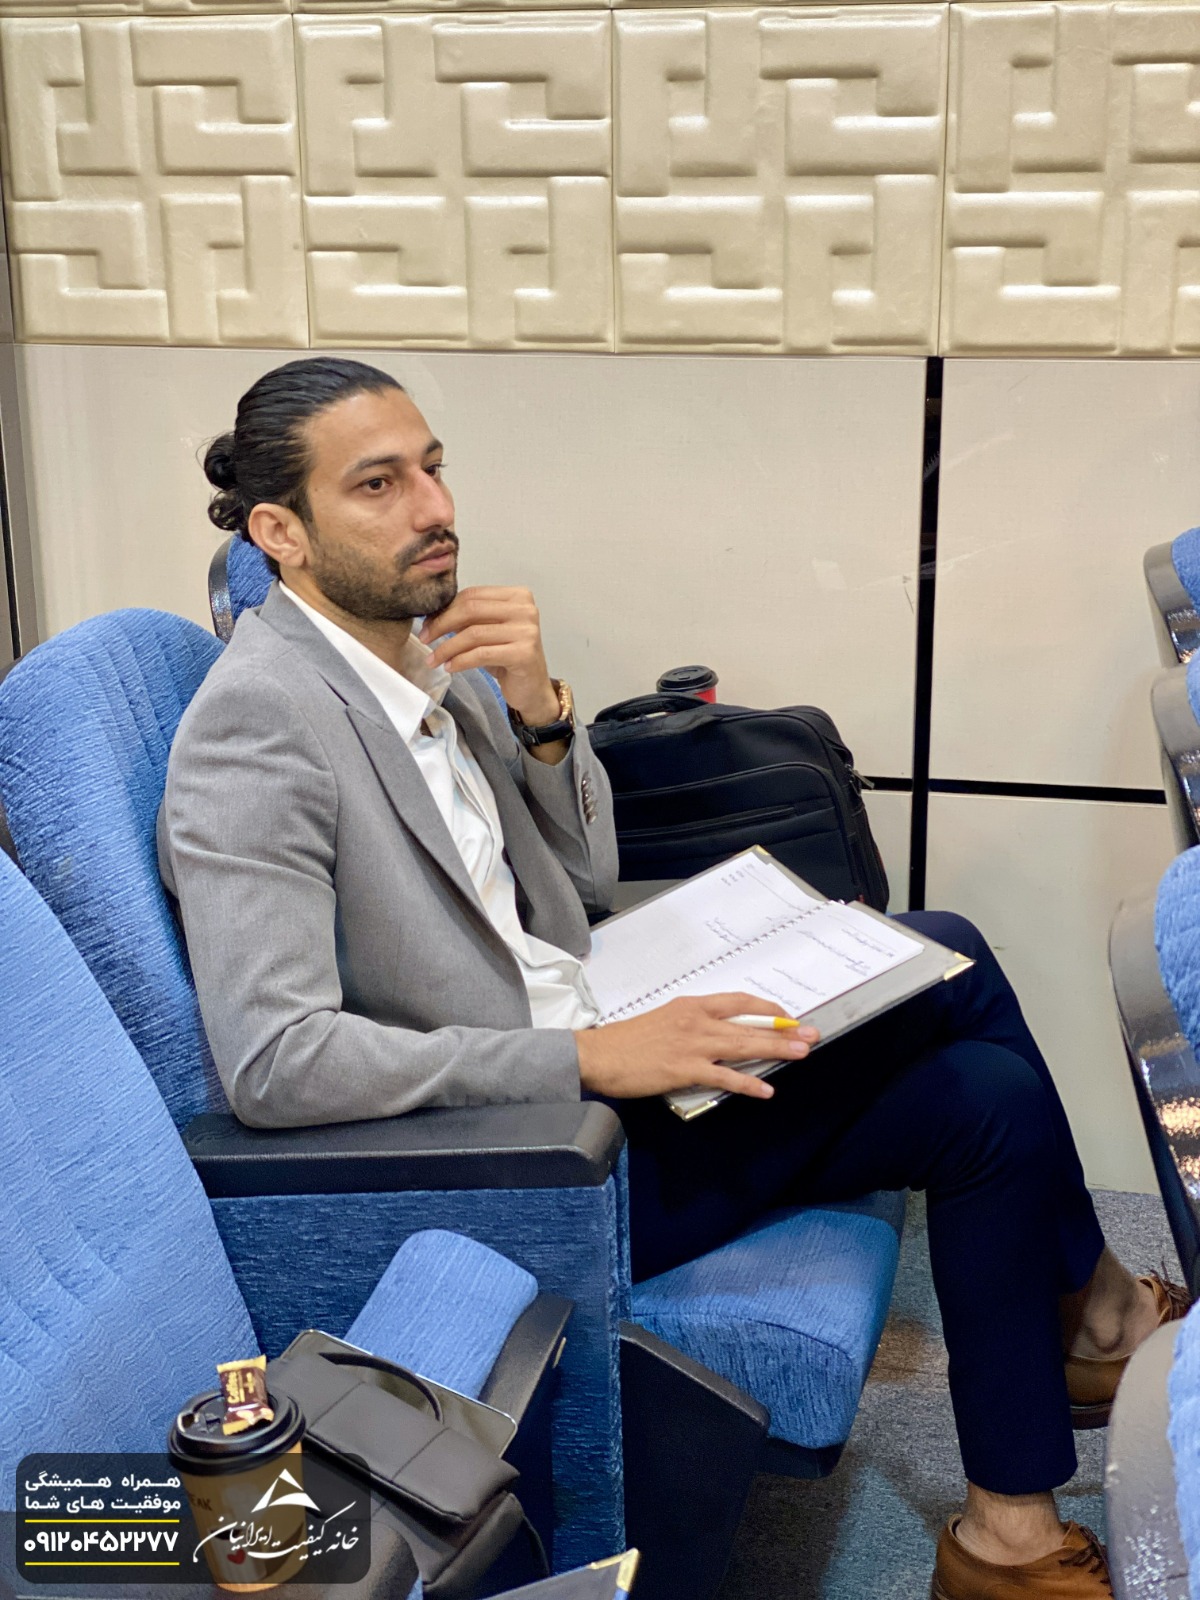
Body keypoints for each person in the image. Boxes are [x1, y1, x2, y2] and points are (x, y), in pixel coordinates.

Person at [161, 357, 1184, 1600]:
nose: (434, 507)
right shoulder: (258, 723)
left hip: (601, 1039)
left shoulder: (425, 658)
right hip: (539, 1155)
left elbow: (577, 880)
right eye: (378, 485)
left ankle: (1017, 1506)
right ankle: (1089, 1337)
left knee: (975, 1058)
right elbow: (277, 1062)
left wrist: (541, 716)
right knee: (963, 1010)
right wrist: (590, 1057)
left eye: (432, 468)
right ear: (282, 532)